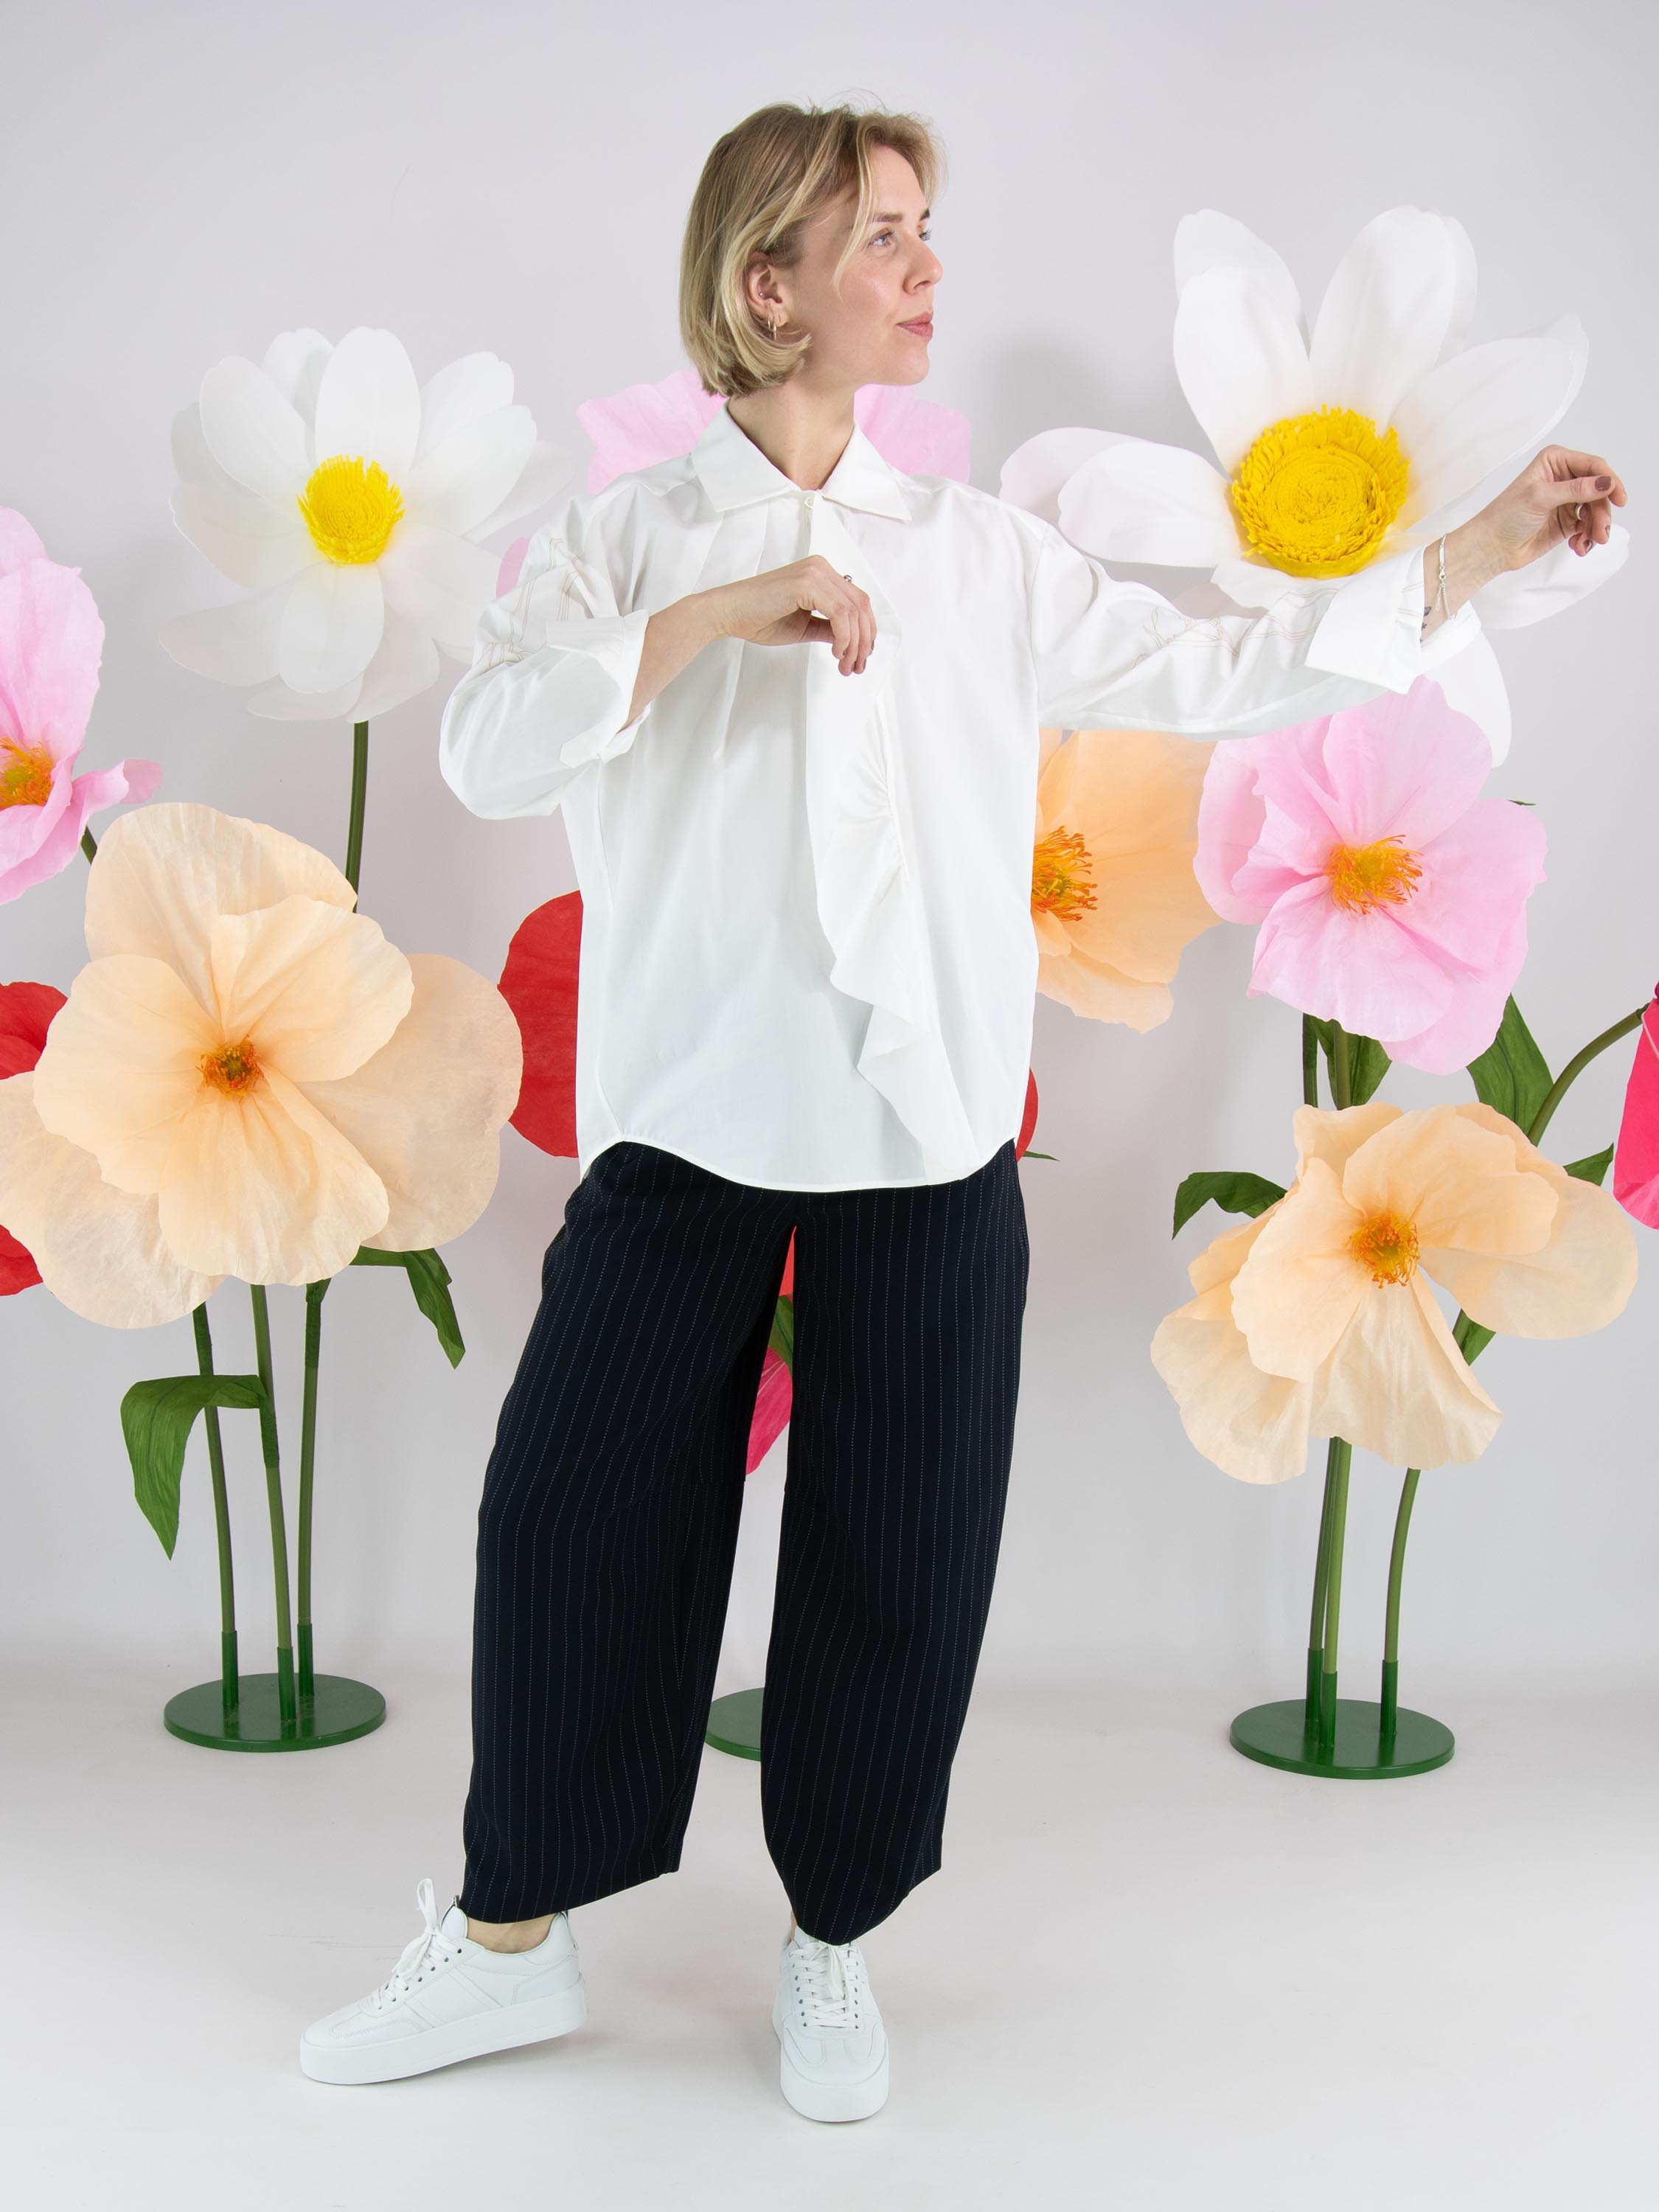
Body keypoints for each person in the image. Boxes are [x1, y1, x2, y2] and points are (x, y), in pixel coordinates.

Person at [296, 99, 1627, 2122]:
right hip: (685, 1121)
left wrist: (1468, 556)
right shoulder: (626, 539)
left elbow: (1227, 671)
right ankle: (505, 1946)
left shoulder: (985, 558)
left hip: (920, 1130)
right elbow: (486, 747)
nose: (927, 268)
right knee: (570, 1517)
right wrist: (708, 620)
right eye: (884, 237)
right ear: (769, 287)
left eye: (928, 229)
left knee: (898, 1553)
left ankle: (831, 1944)